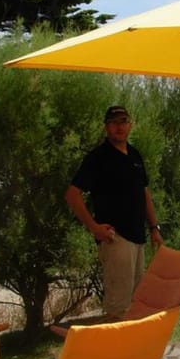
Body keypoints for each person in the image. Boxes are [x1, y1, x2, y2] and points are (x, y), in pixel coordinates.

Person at [65, 105, 164, 320]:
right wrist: (94, 228)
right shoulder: (98, 158)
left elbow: (144, 193)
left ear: (130, 125)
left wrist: (154, 227)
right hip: (116, 238)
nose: (120, 126)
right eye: (114, 122)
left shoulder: (135, 155)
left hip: (138, 237)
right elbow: (72, 195)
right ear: (106, 127)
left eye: (123, 121)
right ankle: (116, 352)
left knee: (136, 302)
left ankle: (134, 351)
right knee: (118, 306)